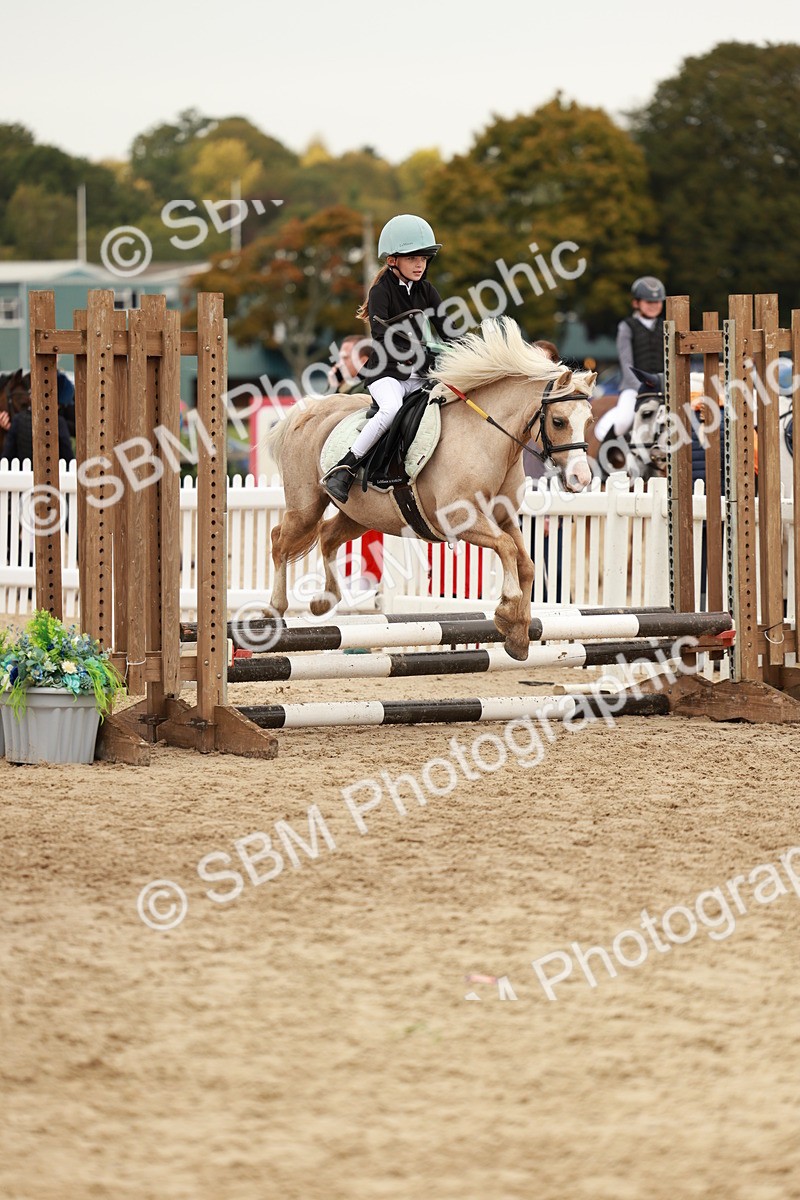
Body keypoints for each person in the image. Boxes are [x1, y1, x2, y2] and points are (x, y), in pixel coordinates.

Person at [321, 213, 450, 503]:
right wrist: (424, 350)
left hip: (419, 376)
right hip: (387, 373)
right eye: (413, 258)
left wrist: (464, 351)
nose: (420, 264)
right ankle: (345, 467)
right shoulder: (381, 291)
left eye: (424, 258)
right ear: (393, 260)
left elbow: (448, 329)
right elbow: (382, 335)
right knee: (390, 410)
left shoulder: (427, 290)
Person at [595, 276, 666, 445]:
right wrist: (641, 388)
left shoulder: (666, 326)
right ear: (636, 303)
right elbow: (626, 362)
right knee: (623, 421)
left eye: (656, 302)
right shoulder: (627, 326)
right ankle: (604, 458)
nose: (653, 305)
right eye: (648, 302)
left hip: (663, 387)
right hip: (634, 388)